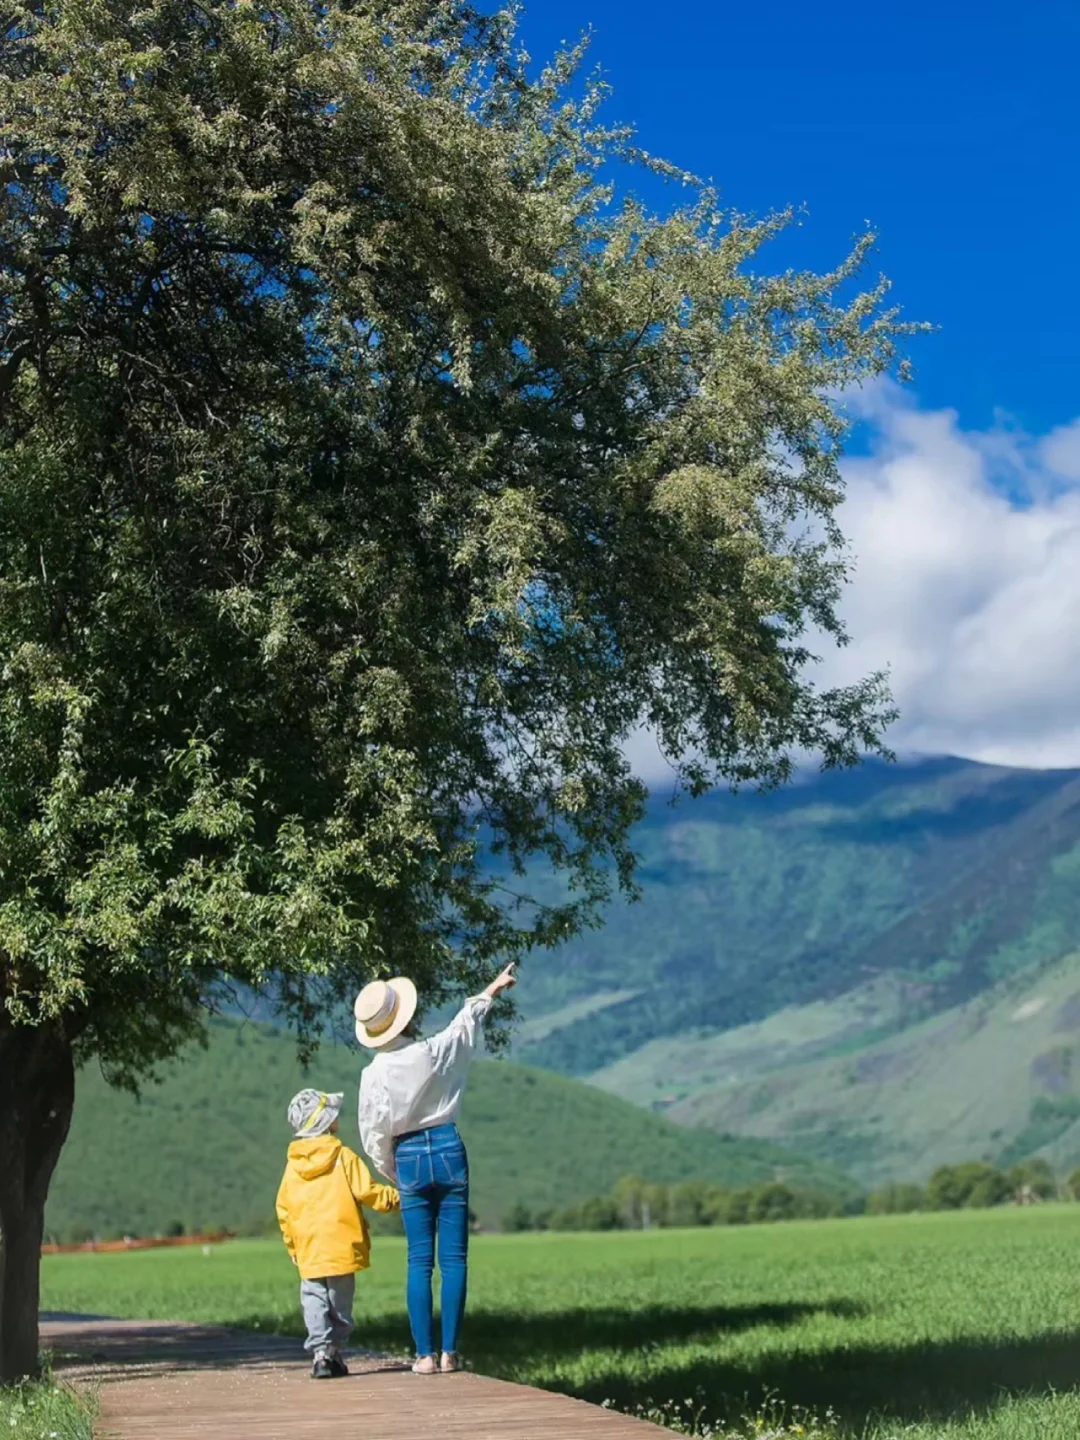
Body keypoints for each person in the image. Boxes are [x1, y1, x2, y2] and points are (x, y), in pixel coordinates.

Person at [355, 963, 517, 1375]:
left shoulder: (373, 1074)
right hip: (447, 1147)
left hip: (406, 1155)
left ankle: (424, 1356)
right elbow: (464, 1024)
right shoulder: (432, 1051)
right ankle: (450, 1353)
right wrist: (492, 990)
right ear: (406, 1017)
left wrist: (393, 1169)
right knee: (455, 1259)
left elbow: (373, 1132)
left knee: (419, 1261)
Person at [276, 1088, 400, 1379]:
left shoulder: (293, 1165)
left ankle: (321, 1353)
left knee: (314, 1298)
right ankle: (333, 1351)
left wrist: (292, 1246)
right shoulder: (343, 1156)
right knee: (339, 1304)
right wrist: (400, 1198)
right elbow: (368, 1193)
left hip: (308, 1246)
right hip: (341, 1243)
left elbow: (284, 1208)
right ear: (326, 1122)